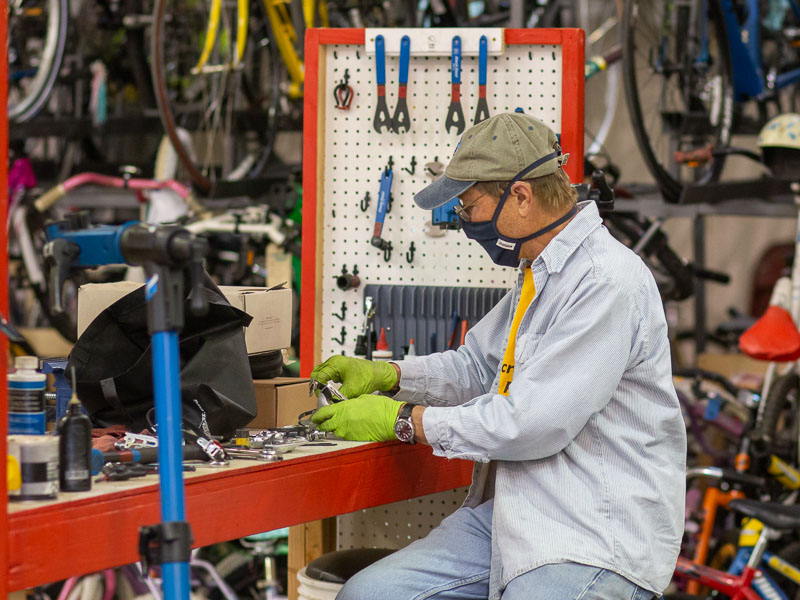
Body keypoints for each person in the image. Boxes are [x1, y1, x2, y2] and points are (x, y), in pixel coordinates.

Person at [310, 112, 686, 600]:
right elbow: (477, 367)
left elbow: (530, 423)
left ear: (522, 197)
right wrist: (388, 374)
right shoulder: (541, 273)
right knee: (369, 595)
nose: (465, 223)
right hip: (516, 513)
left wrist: (402, 421)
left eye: (469, 207)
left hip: (593, 532)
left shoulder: (604, 280)